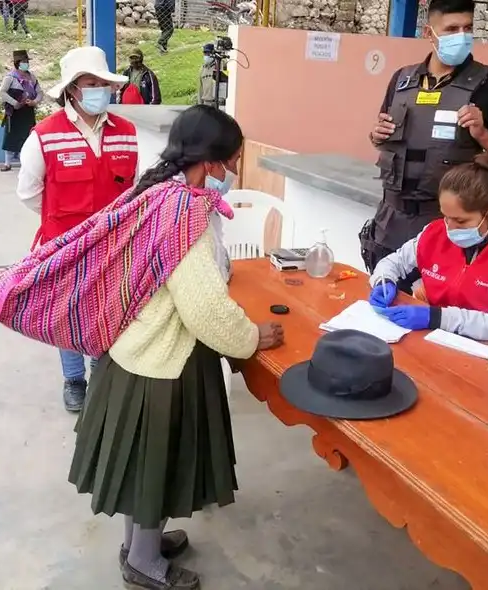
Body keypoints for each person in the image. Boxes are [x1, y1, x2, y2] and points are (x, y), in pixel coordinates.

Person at [67, 105, 285, 590]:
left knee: (142, 467)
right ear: (210, 162)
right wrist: (251, 337)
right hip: (163, 365)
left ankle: (139, 546)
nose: (231, 172)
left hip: (133, 353)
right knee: (157, 468)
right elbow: (203, 308)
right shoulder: (186, 214)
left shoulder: (156, 192)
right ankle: (143, 563)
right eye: (230, 161)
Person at [362, 0, 488, 292]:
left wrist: (483, 133)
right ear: (429, 32)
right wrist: (376, 135)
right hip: (390, 221)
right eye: (451, 29)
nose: (461, 36)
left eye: (467, 28)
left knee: (434, 319)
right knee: (383, 311)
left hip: (448, 227)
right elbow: (384, 138)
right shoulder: (402, 79)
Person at [17, 46, 135, 412]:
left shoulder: (126, 132)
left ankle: (101, 376)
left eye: (103, 83)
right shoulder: (44, 135)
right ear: (72, 89)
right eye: (90, 82)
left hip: (113, 245)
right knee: (67, 315)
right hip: (63, 246)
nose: (99, 89)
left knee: (106, 312)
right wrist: (61, 220)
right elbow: (29, 193)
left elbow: (133, 188)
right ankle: (74, 380)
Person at [368, 153, 488, 341]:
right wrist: (384, 281)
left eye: (460, 221)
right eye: (446, 216)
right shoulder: (435, 233)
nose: (449, 228)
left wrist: (437, 318)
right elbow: (394, 262)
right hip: (444, 340)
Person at [0, 49, 43, 172]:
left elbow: (40, 92)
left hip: (28, 111)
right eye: (24, 61)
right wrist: (15, 103)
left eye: (27, 61)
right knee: (10, 136)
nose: (26, 63)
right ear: (17, 63)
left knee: (27, 136)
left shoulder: (32, 77)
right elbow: (2, 92)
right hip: (14, 111)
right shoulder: (10, 77)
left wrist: (34, 102)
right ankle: (7, 163)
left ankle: (26, 162)